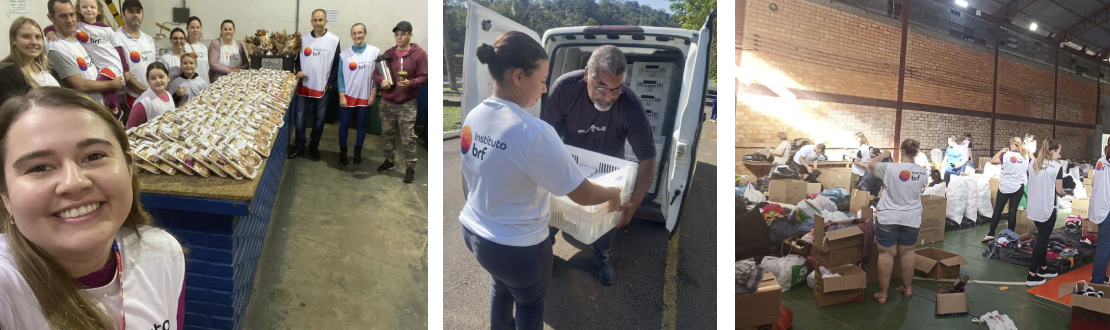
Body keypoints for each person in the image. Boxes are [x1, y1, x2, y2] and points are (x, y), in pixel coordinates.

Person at [459, 31, 621, 330]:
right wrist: (612, 192)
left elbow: (479, 172)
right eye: (542, 79)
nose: (545, 89)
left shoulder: (474, 116)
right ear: (519, 76)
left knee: (501, 286)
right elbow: (583, 194)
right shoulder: (533, 132)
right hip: (517, 249)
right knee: (530, 307)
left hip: (474, 232)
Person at [0, 87, 185, 329]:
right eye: (39, 168)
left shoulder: (162, 253)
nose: (74, 183)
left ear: (129, 167)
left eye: (94, 156)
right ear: (6, 197)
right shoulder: (7, 288)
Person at [540, 45, 654, 286]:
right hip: (572, 165)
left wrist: (634, 202)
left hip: (609, 171)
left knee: (607, 218)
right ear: (586, 75)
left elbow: (648, 158)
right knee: (552, 213)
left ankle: (602, 257)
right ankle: (544, 253)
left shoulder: (630, 104)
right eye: (601, 87)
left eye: (617, 89)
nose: (609, 97)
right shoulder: (565, 89)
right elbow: (547, 140)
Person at [43, 0, 127, 118]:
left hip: (100, 108)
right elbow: (80, 85)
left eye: (72, 14)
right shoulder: (56, 47)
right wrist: (112, 84)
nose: (69, 20)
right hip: (85, 113)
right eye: (62, 16)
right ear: (51, 18)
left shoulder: (75, 36)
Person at [869, 139, 928, 304]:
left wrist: (885, 154)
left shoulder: (889, 168)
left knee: (886, 254)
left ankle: (883, 294)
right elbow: (920, 188)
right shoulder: (922, 172)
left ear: (901, 150)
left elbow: (871, 164)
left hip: (889, 216)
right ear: (916, 152)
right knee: (908, 252)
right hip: (911, 217)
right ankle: (907, 288)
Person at [373, 21, 427, 183]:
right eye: (396, 34)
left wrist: (411, 83)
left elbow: (425, 76)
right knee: (387, 134)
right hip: (387, 101)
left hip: (407, 103)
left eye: (403, 34)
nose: (399, 37)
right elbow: (375, 74)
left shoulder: (419, 54)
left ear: (410, 34)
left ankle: (410, 167)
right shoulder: (389, 53)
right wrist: (381, 80)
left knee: (408, 137)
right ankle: (389, 161)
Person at [288, 9, 340, 161]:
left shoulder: (334, 40)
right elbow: (296, 61)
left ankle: (314, 147)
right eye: (315, 20)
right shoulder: (302, 39)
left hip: (322, 88)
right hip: (304, 86)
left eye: (321, 20)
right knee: (300, 119)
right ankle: (299, 146)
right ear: (311, 21)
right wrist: (298, 71)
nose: (318, 23)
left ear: (325, 21)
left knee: (319, 120)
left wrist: (330, 84)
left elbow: (337, 64)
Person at [337, 23, 379, 165]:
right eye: (354, 33)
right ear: (351, 35)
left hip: (365, 97)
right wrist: (341, 95)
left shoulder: (374, 52)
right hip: (348, 97)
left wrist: (373, 93)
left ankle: (357, 152)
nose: (357, 36)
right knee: (344, 125)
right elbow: (340, 75)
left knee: (361, 125)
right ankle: (343, 152)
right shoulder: (344, 54)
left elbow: (377, 75)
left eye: (360, 32)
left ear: (365, 33)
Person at [1025, 138, 1065, 286]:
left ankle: (1044, 268)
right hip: (1048, 208)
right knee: (1041, 241)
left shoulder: (1033, 163)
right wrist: (1065, 193)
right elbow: (1059, 191)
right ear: (1053, 151)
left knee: (1042, 238)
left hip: (1034, 207)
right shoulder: (1056, 167)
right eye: (1058, 153)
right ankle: (1031, 275)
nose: (1059, 156)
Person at [0, 18, 59, 105]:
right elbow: (13, 113)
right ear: (13, 40)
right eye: (26, 36)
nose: (34, 42)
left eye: (38, 37)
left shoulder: (48, 69)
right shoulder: (6, 74)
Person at [983, 137, 1032, 242]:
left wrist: (1001, 151)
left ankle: (991, 233)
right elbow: (1034, 162)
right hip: (1019, 187)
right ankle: (1010, 235)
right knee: (1013, 211)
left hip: (1005, 187)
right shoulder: (1025, 156)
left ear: (1011, 144)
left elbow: (993, 161)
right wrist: (1029, 152)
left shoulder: (1006, 155)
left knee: (998, 210)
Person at [114, 0, 156, 110]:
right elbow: (123, 71)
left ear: (142, 14)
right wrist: (143, 89)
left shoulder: (148, 39)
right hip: (132, 97)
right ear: (122, 14)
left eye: (138, 11)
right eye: (131, 11)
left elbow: (154, 67)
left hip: (151, 95)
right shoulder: (116, 39)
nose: (135, 15)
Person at [125, 62, 173, 129]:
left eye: (161, 77)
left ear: (168, 77)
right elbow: (130, 129)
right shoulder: (143, 103)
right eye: (153, 78)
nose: (158, 81)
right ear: (148, 81)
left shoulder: (168, 94)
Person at [1090, 137, 1110, 285]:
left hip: (1100, 208)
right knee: (1104, 246)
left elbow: (1093, 182)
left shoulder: (1101, 161)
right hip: (1107, 209)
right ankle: (1097, 280)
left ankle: (1099, 276)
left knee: (1104, 245)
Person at [184, 16, 210, 84]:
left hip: (205, 84)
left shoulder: (204, 47)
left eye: (198, 27)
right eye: (192, 27)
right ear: (187, 29)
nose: (195, 30)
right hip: (191, 84)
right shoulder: (184, 47)